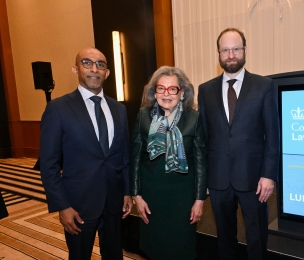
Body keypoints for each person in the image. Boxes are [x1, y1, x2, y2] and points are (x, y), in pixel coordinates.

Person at [40, 47, 132, 260]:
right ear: (76, 69)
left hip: (113, 201)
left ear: (107, 73)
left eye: (100, 64)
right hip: (78, 205)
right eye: (87, 63)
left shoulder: (119, 109)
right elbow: (49, 163)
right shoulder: (58, 108)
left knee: (114, 255)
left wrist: (127, 191)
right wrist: (62, 206)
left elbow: (124, 155)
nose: (94, 69)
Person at [197, 28, 280, 259]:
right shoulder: (205, 90)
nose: (231, 54)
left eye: (236, 49)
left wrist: (269, 175)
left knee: (257, 238)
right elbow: (203, 138)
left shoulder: (264, 86)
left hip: (254, 179)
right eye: (226, 50)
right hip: (218, 180)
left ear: (244, 50)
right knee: (224, 238)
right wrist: (203, 180)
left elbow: (273, 136)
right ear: (218, 53)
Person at [130, 66, 207, 260]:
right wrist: (137, 196)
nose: (166, 94)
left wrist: (199, 200)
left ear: (181, 93)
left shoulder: (194, 118)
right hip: (151, 195)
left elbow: (200, 162)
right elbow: (136, 158)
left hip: (182, 197)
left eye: (172, 89)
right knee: (154, 249)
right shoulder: (143, 115)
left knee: (181, 249)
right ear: (154, 92)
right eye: (161, 88)